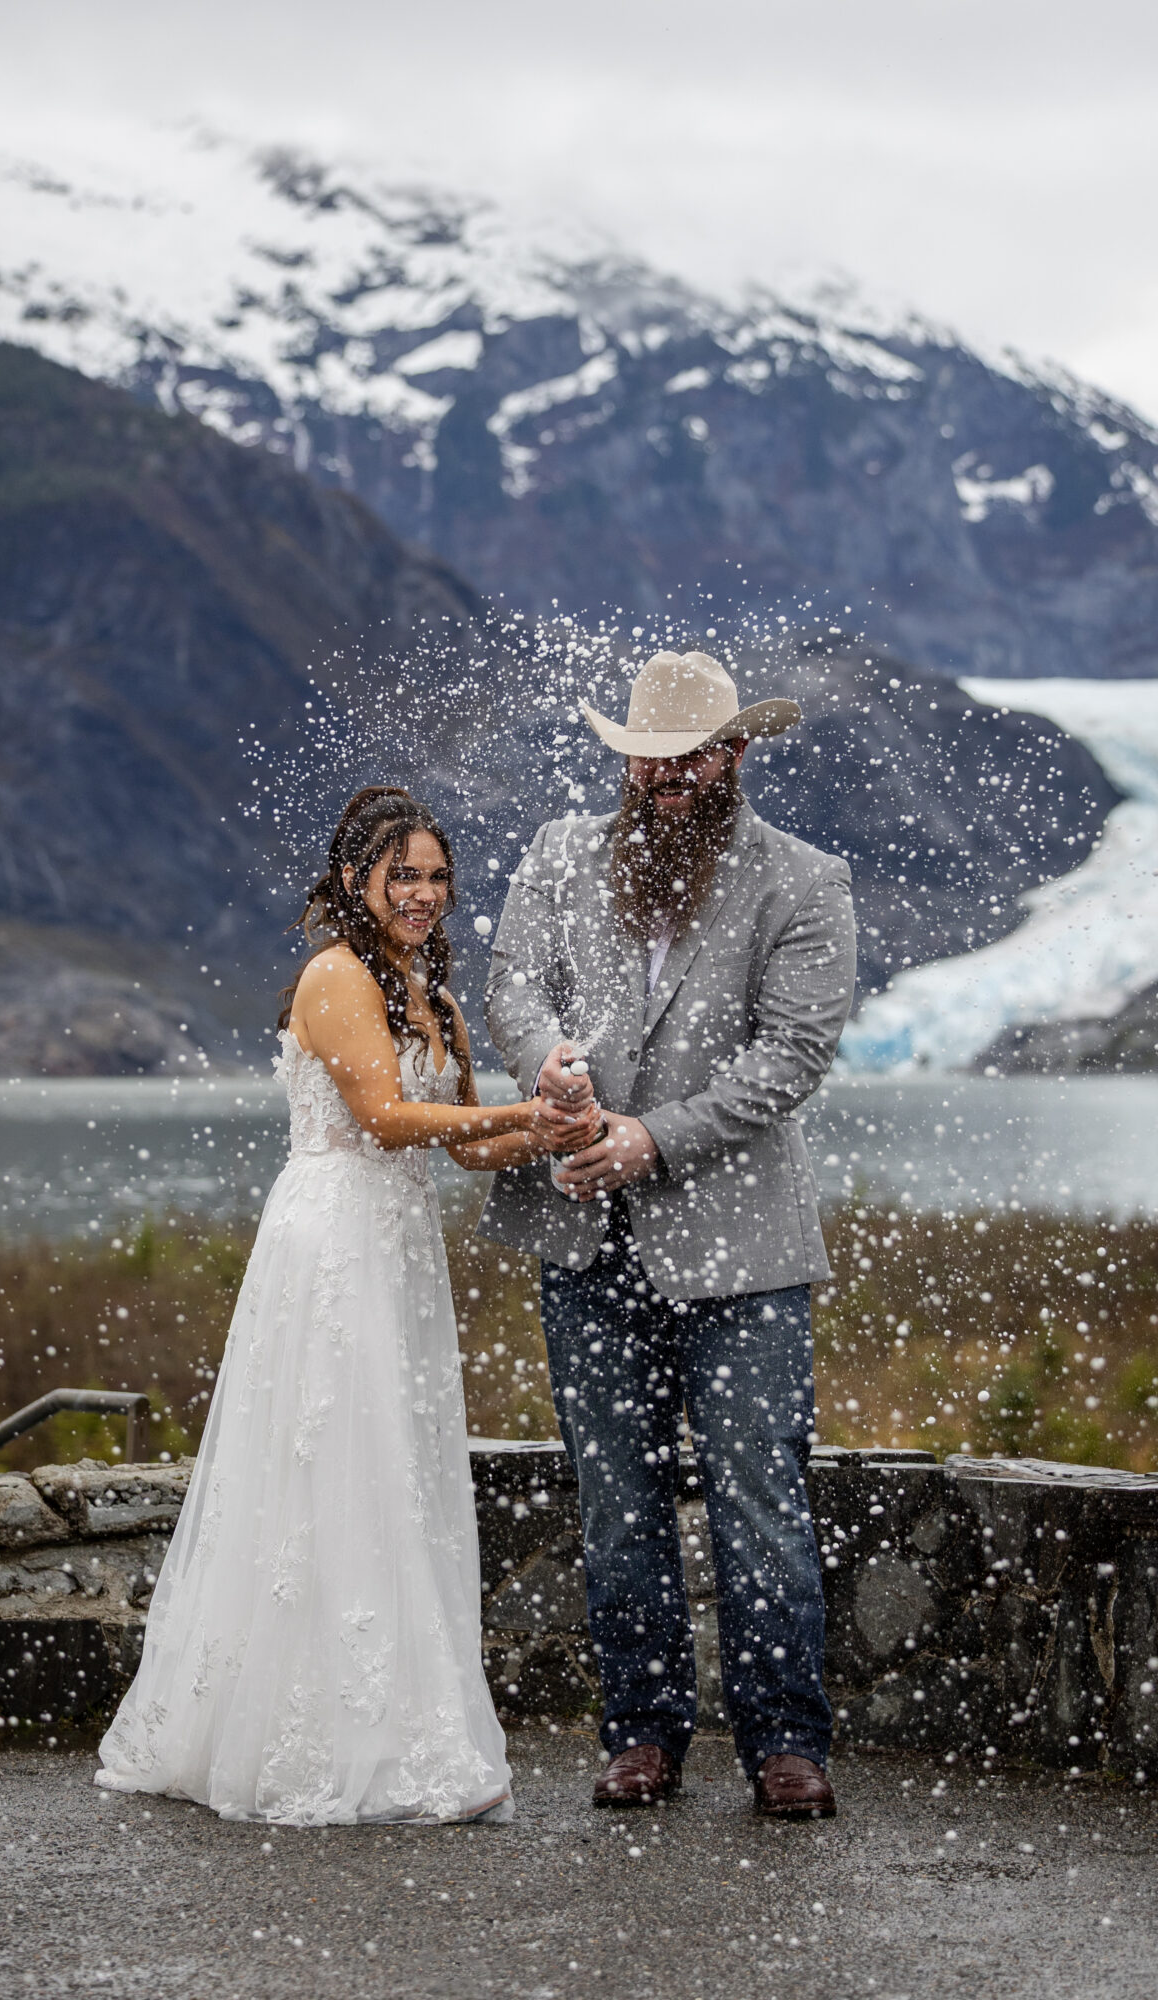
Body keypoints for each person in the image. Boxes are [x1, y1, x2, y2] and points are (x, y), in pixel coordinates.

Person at [96, 786, 594, 1824]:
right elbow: (379, 1115)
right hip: (329, 1241)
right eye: (400, 873)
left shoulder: (437, 996)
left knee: (394, 1469)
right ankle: (298, 1730)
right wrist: (517, 1101)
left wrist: (544, 1135)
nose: (421, 893)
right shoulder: (333, 975)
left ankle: (395, 1724)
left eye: (435, 875)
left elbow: (460, 1144)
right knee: (326, 1467)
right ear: (353, 878)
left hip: (401, 1247)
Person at [480, 652, 856, 1818]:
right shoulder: (553, 854)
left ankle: (785, 1742)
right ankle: (641, 1731)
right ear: (625, 760)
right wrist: (545, 1058)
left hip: (741, 1253)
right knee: (614, 1497)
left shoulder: (802, 878)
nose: (671, 779)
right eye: (650, 761)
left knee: (757, 1493)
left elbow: (789, 1059)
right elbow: (509, 985)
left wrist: (651, 1138)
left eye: (693, 758)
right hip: (583, 1240)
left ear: (736, 753)